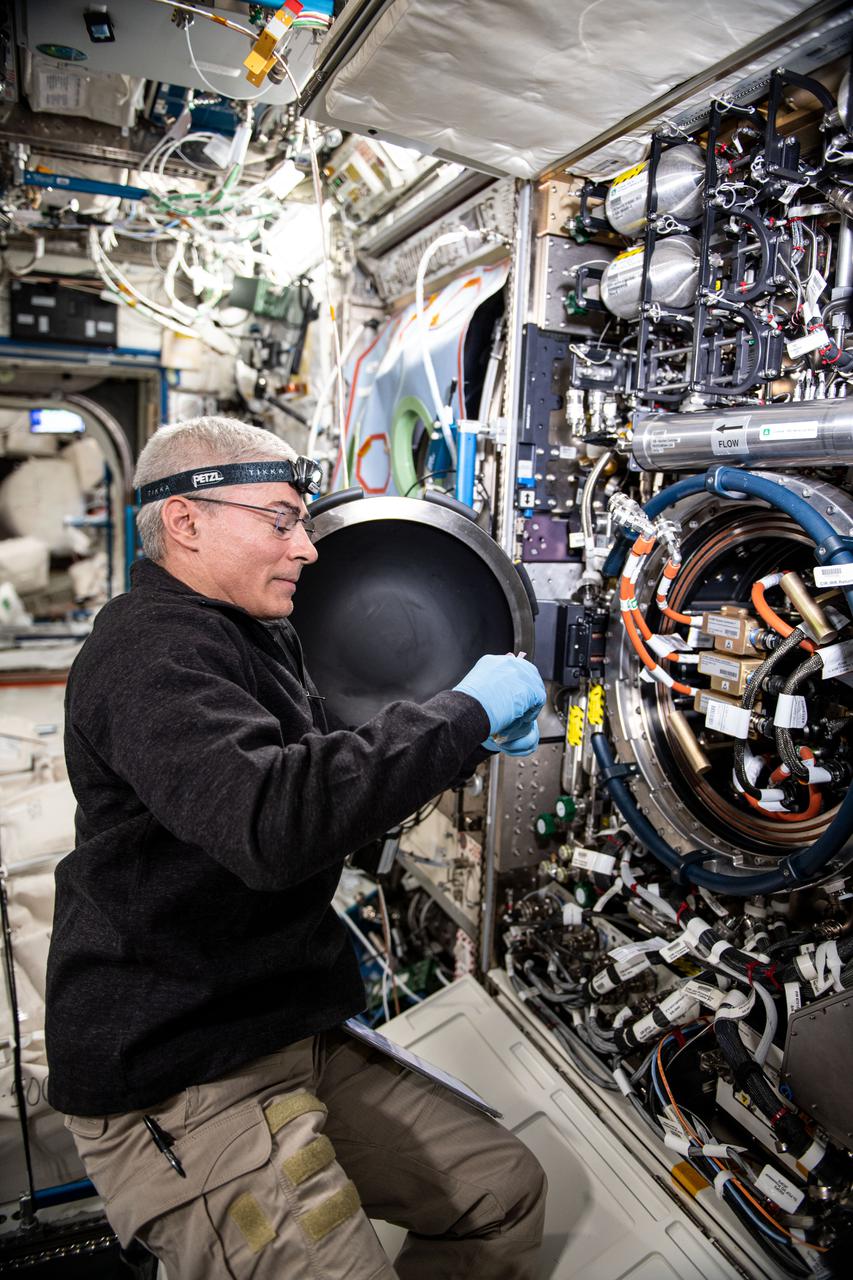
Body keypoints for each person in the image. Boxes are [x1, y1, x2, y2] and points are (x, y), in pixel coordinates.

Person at [45, 416, 548, 1279]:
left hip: (282, 1028)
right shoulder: (150, 649)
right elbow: (272, 824)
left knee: (500, 1193)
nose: (307, 548)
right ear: (185, 521)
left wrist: (460, 740)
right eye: (280, 520)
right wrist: (464, 711)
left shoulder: (248, 632)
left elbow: (324, 775)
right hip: (184, 1072)